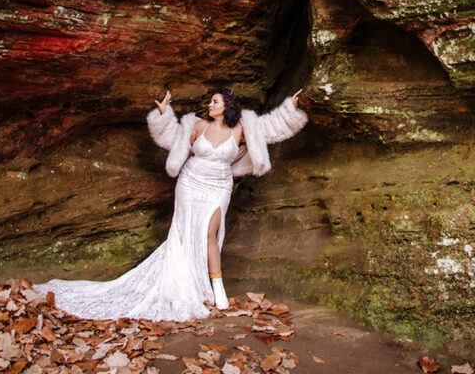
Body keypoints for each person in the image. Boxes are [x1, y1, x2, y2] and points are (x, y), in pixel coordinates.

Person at [35, 87, 307, 322]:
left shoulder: (241, 130)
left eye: (215, 101)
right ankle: (186, 282)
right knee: (184, 232)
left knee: (210, 233)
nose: (210, 105)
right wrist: (164, 115)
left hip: (218, 186)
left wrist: (289, 109)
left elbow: (269, 130)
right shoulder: (198, 126)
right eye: (210, 101)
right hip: (190, 184)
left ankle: (217, 286)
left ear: (228, 106)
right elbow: (172, 139)